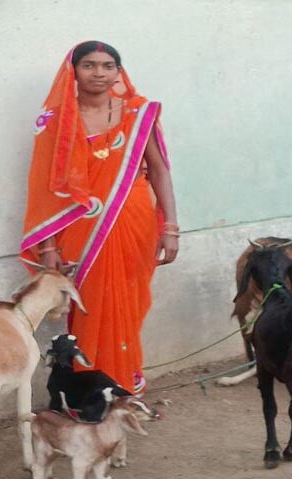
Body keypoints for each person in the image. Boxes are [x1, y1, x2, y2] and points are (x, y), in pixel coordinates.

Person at [20, 41, 178, 394]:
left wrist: (170, 227)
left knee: (129, 303)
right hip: (80, 228)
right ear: (72, 71)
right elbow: (46, 189)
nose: (99, 73)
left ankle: (123, 386)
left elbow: (160, 171)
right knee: (88, 305)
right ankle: (90, 391)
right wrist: (48, 247)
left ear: (118, 72)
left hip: (135, 220)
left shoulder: (139, 113)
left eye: (108, 66)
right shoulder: (56, 121)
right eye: (89, 65)